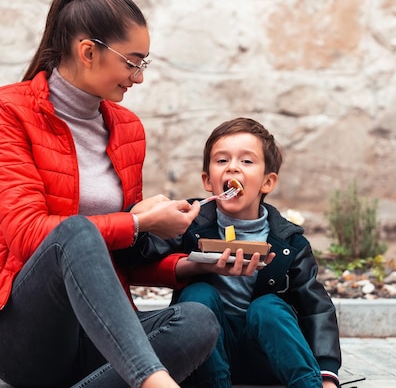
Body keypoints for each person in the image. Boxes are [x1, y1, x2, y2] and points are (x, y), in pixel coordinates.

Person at [0, 0, 223, 388]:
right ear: (88, 51)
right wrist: (137, 223)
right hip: (24, 337)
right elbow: (26, 234)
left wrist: (188, 264)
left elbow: (121, 256)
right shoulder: (7, 109)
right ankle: (154, 382)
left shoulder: (127, 127)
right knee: (74, 232)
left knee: (199, 321)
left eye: (144, 63)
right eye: (133, 63)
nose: (139, 78)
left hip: (99, 337)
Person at [138, 117, 342, 388]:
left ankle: (309, 384)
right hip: (206, 356)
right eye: (222, 161)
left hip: (268, 356)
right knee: (199, 293)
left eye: (246, 161)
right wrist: (142, 219)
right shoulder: (189, 224)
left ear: (267, 182)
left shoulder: (288, 242)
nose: (233, 167)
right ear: (208, 181)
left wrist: (327, 374)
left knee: (267, 306)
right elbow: (141, 253)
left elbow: (315, 308)